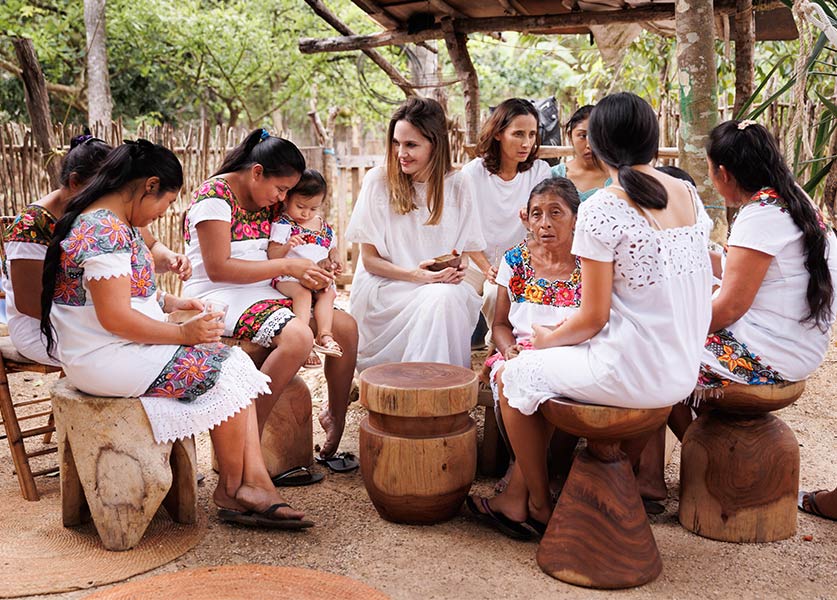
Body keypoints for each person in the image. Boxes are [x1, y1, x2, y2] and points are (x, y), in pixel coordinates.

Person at [468, 92, 713, 539]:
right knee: (536, 369)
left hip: (631, 369)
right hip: (681, 370)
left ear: (596, 144)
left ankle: (537, 503)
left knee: (516, 375)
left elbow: (593, 317)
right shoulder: (688, 194)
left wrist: (543, 340)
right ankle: (522, 495)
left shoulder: (605, 205)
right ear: (652, 138)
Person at [40, 140, 311, 528]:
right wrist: (183, 334)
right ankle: (238, 488)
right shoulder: (104, 230)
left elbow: (126, 295)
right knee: (224, 369)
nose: (163, 213)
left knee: (232, 364)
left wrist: (171, 304)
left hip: (110, 348)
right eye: (166, 203)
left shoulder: (112, 222)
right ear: (149, 185)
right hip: (104, 359)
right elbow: (116, 317)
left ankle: (247, 483)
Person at [182, 128, 358, 464]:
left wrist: (313, 266)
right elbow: (218, 268)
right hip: (220, 292)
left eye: (287, 191)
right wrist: (290, 267)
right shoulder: (215, 197)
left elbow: (296, 241)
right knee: (297, 337)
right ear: (257, 172)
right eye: (280, 189)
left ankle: (335, 415)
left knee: (345, 327)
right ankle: (249, 440)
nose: (282, 199)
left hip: (266, 287)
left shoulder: (265, 198)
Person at [2, 134, 191, 366]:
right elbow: (29, 303)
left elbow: (149, 247)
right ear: (75, 182)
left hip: (97, 319)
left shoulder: (109, 213)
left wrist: (168, 270)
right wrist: (112, 319)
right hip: (46, 329)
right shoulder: (32, 224)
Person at [345, 97, 485, 372]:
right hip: (387, 289)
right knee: (441, 299)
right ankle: (428, 387)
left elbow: (464, 252)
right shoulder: (379, 181)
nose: (401, 153)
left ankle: (438, 389)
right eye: (396, 143)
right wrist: (416, 276)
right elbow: (370, 261)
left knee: (447, 297)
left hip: (438, 288)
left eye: (411, 145)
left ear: (435, 144)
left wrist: (457, 267)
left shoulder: (459, 184)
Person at [696, 119, 837, 392]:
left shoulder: (760, 214)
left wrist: (675, 330)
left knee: (661, 359)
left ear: (723, 173)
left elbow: (729, 308)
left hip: (772, 352)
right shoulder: (792, 198)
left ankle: (693, 435)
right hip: (798, 344)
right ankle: (700, 434)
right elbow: (741, 271)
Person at [483, 177, 582, 494]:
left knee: (561, 379)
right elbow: (499, 324)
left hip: (573, 353)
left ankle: (552, 467)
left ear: (575, 219)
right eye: (537, 214)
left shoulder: (589, 264)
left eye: (556, 213)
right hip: (521, 353)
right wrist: (509, 349)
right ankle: (523, 465)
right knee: (511, 375)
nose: (545, 223)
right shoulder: (514, 261)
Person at [460, 99, 552, 336]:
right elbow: (462, 229)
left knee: (496, 295)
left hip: (516, 263)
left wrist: (530, 224)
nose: (527, 143)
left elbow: (543, 232)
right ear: (499, 133)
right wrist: (486, 267)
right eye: (518, 134)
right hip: (473, 262)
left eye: (532, 134)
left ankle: (497, 353)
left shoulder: (540, 172)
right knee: (451, 299)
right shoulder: (472, 173)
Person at [268, 169, 342, 369]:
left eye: (313, 208)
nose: (306, 213)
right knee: (302, 293)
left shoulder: (323, 227)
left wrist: (334, 260)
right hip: (289, 279)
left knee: (329, 294)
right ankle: (305, 341)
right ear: (286, 199)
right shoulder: (284, 224)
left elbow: (332, 248)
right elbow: (272, 254)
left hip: (318, 279)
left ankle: (325, 335)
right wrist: (287, 246)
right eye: (300, 206)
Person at [551, 105, 612, 201]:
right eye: (583, 136)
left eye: (597, 136)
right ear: (570, 136)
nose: (589, 145)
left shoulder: (617, 177)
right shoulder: (554, 176)